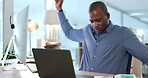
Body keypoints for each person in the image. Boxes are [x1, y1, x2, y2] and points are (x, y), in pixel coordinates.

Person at [55, 0, 148, 74]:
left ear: (107, 16)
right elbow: (69, 32)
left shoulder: (123, 34)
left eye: (98, 20)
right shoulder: (87, 31)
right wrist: (59, 10)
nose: (95, 25)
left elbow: (145, 55)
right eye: (92, 21)